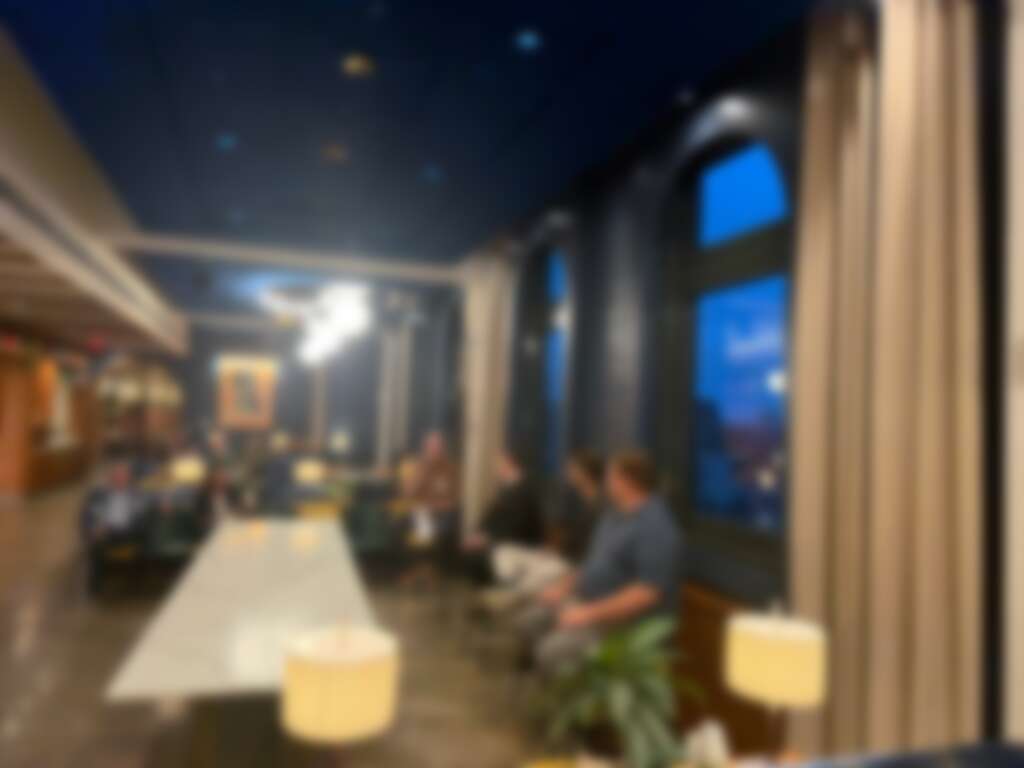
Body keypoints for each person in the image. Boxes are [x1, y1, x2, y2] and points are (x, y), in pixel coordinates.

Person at [517, 450, 682, 672]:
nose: (606, 483)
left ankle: (565, 691)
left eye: (610, 477)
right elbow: (592, 563)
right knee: (529, 621)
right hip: (587, 601)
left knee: (552, 651)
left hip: (622, 622)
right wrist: (563, 587)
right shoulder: (612, 515)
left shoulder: (656, 527)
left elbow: (647, 593)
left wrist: (588, 613)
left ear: (627, 482)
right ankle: (540, 686)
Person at [462, 449, 544, 584]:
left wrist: (486, 538)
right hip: (501, 538)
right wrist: (478, 534)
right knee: (467, 549)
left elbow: (517, 526)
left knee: (475, 557)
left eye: (499, 464)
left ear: (509, 463)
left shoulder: (524, 490)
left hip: (519, 543)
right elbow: (491, 517)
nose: (496, 468)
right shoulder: (507, 488)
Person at [80, 461, 152, 595]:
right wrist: (94, 528)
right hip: (106, 532)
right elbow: (88, 516)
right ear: (110, 478)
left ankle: (136, 582)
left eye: (123, 477)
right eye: (116, 477)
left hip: (129, 532)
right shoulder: (98, 495)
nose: (120, 480)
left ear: (129, 478)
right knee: (96, 544)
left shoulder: (137, 494)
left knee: (142, 538)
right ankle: (96, 583)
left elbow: (143, 515)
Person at [553, 451, 604, 563]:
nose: (567, 472)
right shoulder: (576, 499)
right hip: (571, 558)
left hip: (587, 561)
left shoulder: (603, 505)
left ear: (585, 472)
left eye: (572, 468)